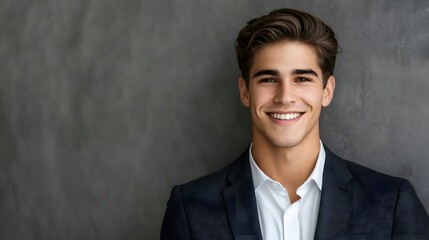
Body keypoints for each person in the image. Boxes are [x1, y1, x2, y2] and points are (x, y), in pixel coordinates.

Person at [160, 8, 429, 240]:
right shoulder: (191, 209)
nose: (285, 97)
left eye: (302, 79)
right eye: (268, 79)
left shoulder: (392, 203)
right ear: (245, 92)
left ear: (327, 90)